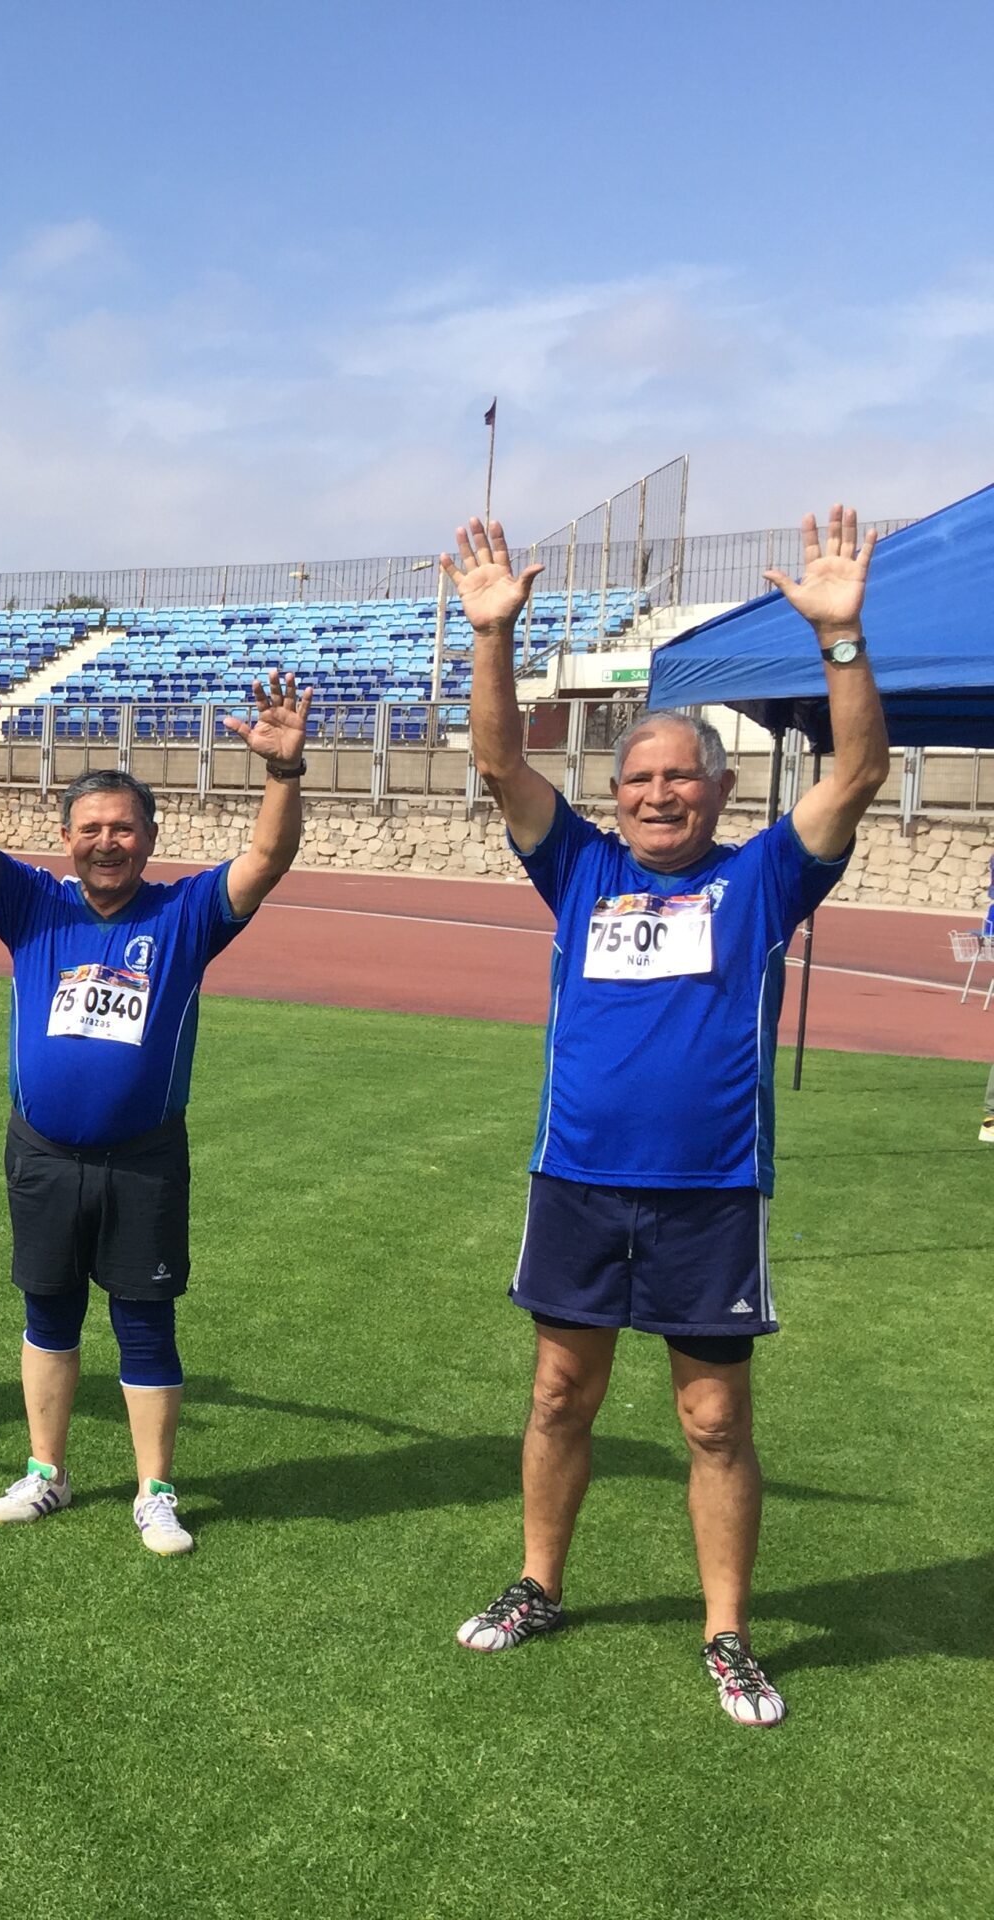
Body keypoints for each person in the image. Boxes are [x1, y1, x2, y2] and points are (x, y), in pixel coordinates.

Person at [446, 510, 889, 1728]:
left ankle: (727, 1630)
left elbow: (856, 775)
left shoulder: (761, 878)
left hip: (709, 1192)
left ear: (718, 790)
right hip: (576, 1179)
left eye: (676, 779)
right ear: (618, 796)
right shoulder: (579, 868)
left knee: (710, 1418)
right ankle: (539, 1582)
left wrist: (840, 637)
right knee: (555, 1395)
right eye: (636, 780)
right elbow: (497, 767)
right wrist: (496, 638)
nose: (655, 796)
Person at [0, 657, 308, 1553]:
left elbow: (267, 858)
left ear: (149, 837)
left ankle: (154, 1491)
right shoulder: (30, 907)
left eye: (123, 829)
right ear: (68, 840)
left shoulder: (185, 915)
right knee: (48, 1312)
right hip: (43, 1153)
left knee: (144, 1320)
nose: (107, 842)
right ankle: (46, 1473)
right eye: (91, 828)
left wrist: (282, 772)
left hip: (143, 1158)